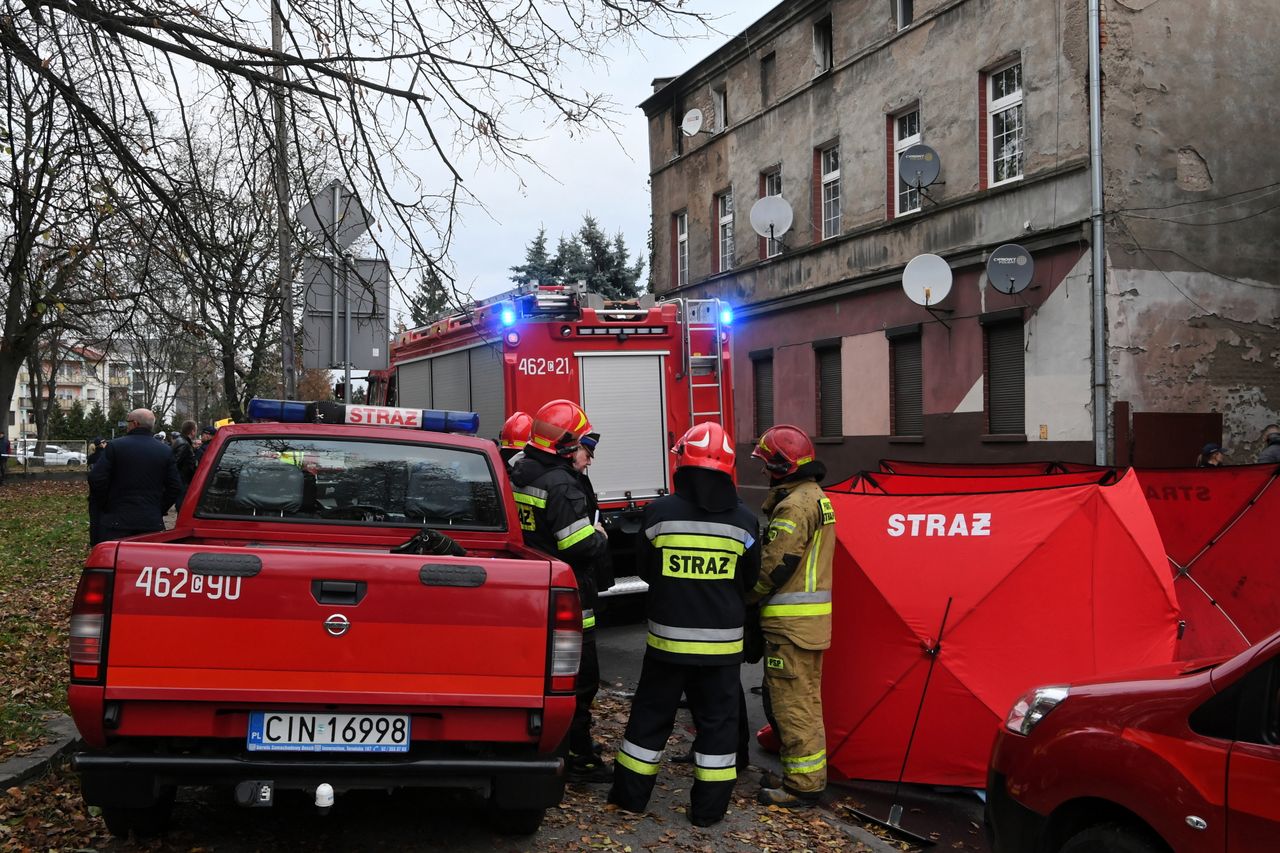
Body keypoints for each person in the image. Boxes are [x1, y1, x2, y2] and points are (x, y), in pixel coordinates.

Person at [608, 422, 760, 827]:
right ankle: (708, 813)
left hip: (667, 645)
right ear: (727, 468)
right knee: (719, 728)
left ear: (683, 464)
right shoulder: (745, 522)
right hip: (722, 651)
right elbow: (750, 580)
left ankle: (630, 799)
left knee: (649, 718)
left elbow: (645, 569)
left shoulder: (659, 513)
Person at [509, 399, 612, 782]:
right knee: (579, 680)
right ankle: (578, 758)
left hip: (531, 593)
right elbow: (580, 546)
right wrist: (600, 536)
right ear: (567, 448)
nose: (589, 459)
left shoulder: (521, 469)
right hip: (569, 597)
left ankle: (560, 743)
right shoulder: (562, 486)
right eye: (587, 450)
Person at [747, 424, 835, 809]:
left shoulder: (794, 506)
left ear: (782, 467)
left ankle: (802, 785)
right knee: (805, 700)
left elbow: (775, 564)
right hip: (807, 625)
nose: (765, 472)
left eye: (768, 465)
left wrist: (746, 597)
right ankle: (801, 775)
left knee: (793, 704)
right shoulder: (816, 497)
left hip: (791, 625)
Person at [88, 409, 184, 545]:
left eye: (128, 422)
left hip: (117, 520)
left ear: (134, 423)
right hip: (151, 520)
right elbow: (175, 487)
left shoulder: (115, 446)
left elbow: (96, 478)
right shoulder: (165, 451)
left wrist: (106, 503)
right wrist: (159, 508)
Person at [172, 420, 198, 486]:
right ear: (192, 432)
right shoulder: (184, 444)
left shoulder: (182, 442)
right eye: (195, 430)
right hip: (181, 482)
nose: (196, 433)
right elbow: (174, 464)